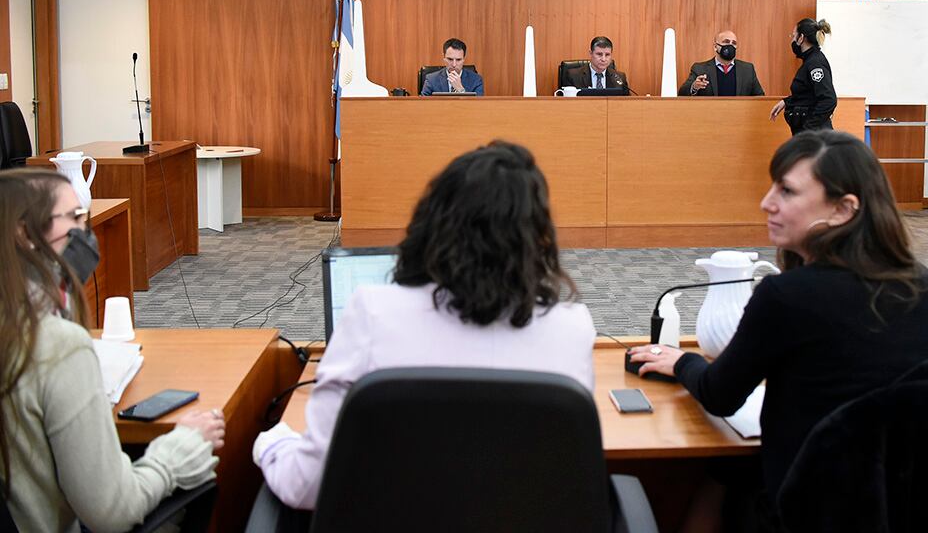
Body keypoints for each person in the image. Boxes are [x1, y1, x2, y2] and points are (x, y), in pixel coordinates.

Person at [629, 131, 928, 527]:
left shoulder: (787, 295)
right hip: (900, 506)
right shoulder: (921, 285)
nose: (766, 203)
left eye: (787, 191)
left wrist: (681, 362)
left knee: (716, 476)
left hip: (807, 505)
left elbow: (720, 395)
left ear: (843, 209)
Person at [254, 141, 596, 510]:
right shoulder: (572, 329)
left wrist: (269, 442)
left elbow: (308, 486)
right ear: (538, 238)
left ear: (434, 221)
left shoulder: (373, 313)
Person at [0, 168, 226, 532]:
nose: (84, 233)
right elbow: (113, 512)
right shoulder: (56, 345)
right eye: (73, 218)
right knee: (204, 481)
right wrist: (180, 448)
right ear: (25, 234)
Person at [769, 19, 837, 135]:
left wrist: (808, 129)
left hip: (814, 137)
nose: (792, 40)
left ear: (801, 38)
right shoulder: (809, 61)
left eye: (793, 35)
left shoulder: (815, 63)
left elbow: (828, 99)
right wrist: (787, 101)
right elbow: (808, 95)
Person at [678, 30, 765, 96]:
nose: (730, 45)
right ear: (715, 47)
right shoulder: (700, 69)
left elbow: (760, 97)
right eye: (726, 42)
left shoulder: (747, 70)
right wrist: (695, 86)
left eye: (734, 43)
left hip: (739, 117)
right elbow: (682, 93)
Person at [562, 36, 630, 92]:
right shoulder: (573, 76)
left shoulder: (619, 78)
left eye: (607, 55)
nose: (603, 59)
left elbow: (627, 103)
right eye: (599, 54)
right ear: (591, 53)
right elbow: (566, 103)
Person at [420, 38, 485, 95]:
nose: (454, 64)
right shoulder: (431, 79)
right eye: (450, 59)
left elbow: (477, 106)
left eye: (458, 60)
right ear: (444, 57)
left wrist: (461, 90)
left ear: (464, 59)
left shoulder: (476, 80)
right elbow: (422, 105)